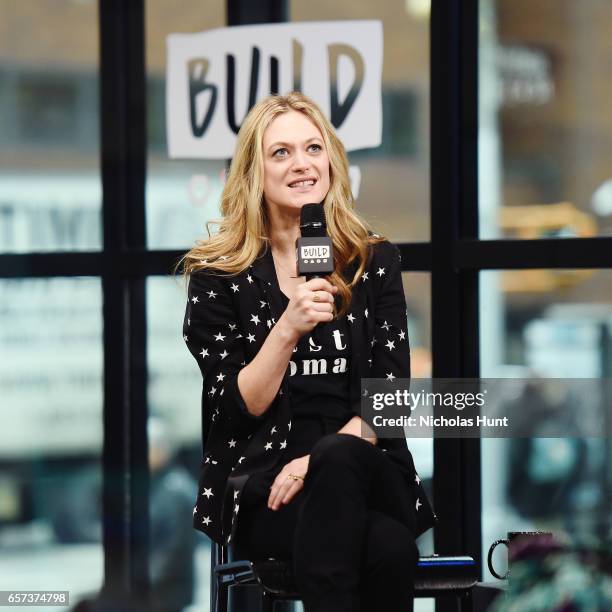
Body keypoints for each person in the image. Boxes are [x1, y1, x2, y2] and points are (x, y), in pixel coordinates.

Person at [181, 91, 436, 612]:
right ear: (255, 171)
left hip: (369, 463)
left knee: (340, 459)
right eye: (281, 152)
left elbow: (389, 397)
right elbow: (238, 405)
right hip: (268, 482)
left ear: (331, 161)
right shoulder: (218, 277)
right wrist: (287, 328)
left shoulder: (373, 261)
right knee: (388, 550)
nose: (301, 163)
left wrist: (318, 461)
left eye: (313, 148)